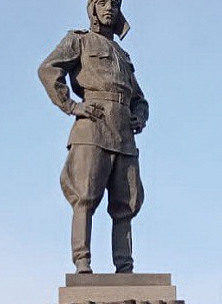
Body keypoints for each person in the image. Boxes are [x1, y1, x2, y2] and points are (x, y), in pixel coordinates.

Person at [38, 0, 147, 273]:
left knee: (126, 203)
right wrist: (72, 106)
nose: (109, 7)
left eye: (114, 3)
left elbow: (140, 98)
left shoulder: (122, 55)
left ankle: (125, 267)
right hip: (92, 128)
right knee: (84, 197)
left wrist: (140, 115)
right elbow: (48, 70)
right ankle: (82, 262)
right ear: (92, 9)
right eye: (102, 2)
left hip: (123, 134)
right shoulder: (80, 41)